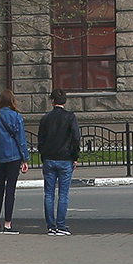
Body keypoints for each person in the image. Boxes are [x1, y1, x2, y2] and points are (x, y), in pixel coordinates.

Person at [37, 88, 81, 235]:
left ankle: (50, 226)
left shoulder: (46, 118)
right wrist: (75, 157)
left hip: (49, 159)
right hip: (65, 159)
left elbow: (40, 140)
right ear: (65, 101)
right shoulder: (70, 117)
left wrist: (44, 155)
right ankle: (61, 225)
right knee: (63, 194)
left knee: (49, 194)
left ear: (52, 101)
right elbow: (76, 138)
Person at [0, 90, 30, 234]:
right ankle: (7, 225)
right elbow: (21, 140)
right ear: (12, 100)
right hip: (13, 157)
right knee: (10, 190)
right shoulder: (16, 116)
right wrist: (25, 159)